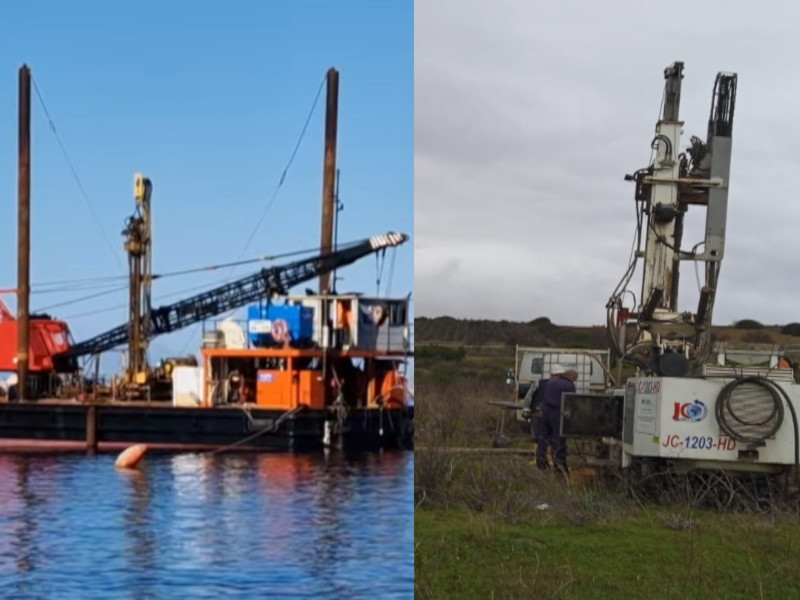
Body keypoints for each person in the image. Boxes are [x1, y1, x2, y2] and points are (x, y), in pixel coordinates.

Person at [536, 364, 576, 473]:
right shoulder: (568, 385)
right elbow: (571, 402)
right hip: (558, 414)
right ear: (572, 377)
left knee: (543, 436)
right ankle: (559, 466)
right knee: (558, 439)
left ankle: (541, 462)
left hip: (546, 413)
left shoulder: (549, 383)